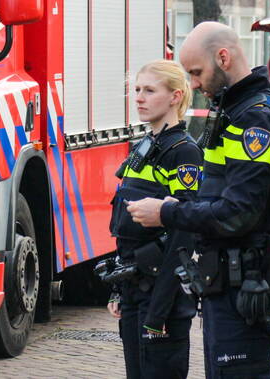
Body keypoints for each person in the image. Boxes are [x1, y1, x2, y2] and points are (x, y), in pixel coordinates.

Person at [127, 22, 270, 378]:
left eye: (196, 72)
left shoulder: (255, 119)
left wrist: (168, 212)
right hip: (229, 283)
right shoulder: (236, 112)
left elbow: (239, 214)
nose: (193, 84)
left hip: (246, 285)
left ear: (223, 57)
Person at [104, 60, 202, 378]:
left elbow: (184, 233)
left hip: (162, 295)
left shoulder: (183, 152)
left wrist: (158, 311)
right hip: (135, 290)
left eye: (149, 90)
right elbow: (124, 227)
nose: (140, 98)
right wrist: (119, 290)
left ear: (175, 96)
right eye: (136, 90)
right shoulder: (142, 147)